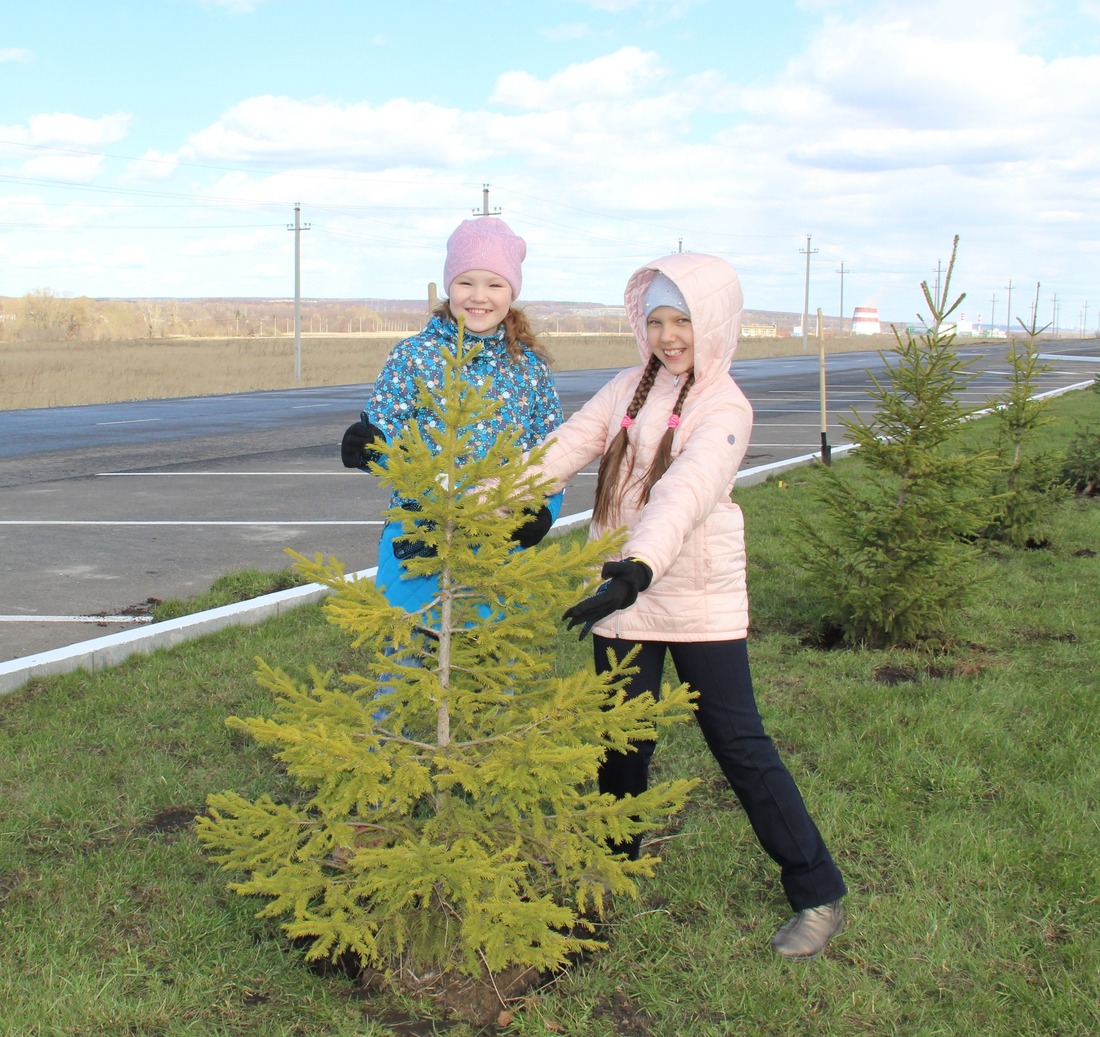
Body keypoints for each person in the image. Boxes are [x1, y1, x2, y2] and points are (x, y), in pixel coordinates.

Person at [529, 252, 847, 960]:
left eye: (685, 321)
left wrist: (636, 567)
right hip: (622, 595)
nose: (671, 336)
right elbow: (558, 452)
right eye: (659, 321)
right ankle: (611, 875)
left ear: (716, 325)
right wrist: (476, 498)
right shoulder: (626, 389)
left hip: (692, 595)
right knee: (620, 743)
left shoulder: (726, 405)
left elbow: (685, 492)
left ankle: (817, 890)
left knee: (740, 745)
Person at [341, 216, 564, 616]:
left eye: (494, 284)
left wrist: (544, 510)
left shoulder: (528, 367)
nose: (479, 296)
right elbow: (384, 435)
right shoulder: (413, 356)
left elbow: (551, 453)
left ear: (511, 291)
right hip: (419, 541)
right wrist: (367, 443)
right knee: (408, 661)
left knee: (488, 668)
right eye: (466, 283)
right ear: (449, 287)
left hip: (496, 546)